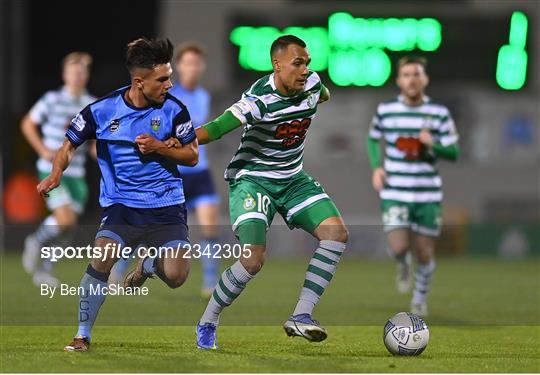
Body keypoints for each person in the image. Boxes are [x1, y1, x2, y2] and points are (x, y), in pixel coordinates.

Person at [168, 35, 349, 350]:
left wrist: (320, 92)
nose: (305, 69)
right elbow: (218, 127)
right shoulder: (258, 99)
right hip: (252, 180)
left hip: (292, 179)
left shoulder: (313, 85)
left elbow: (323, 93)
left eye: (307, 62)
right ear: (277, 65)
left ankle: (302, 315)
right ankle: (208, 320)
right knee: (252, 260)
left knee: (336, 233)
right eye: (298, 63)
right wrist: (179, 141)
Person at [37, 37, 199, 351]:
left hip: (166, 203)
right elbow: (69, 144)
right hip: (121, 204)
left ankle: (148, 266)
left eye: (169, 76)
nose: (170, 83)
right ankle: (82, 335)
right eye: (163, 79)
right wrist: (56, 172)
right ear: (139, 82)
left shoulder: (174, 110)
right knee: (102, 258)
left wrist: (159, 147)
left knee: (177, 276)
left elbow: (192, 155)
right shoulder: (101, 110)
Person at [110, 42, 221, 297]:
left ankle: (210, 282)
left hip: (199, 172)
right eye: (188, 63)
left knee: (210, 228)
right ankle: (119, 270)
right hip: (172, 173)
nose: (192, 68)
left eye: (197, 63)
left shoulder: (204, 96)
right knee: (146, 229)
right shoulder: (165, 94)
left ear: (201, 67)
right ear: (179, 67)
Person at [366, 56, 459, 317]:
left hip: (427, 192)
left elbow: (454, 153)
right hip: (395, 190)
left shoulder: (439, 114)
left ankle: (419, 298)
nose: (412, 79)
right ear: (399, 80)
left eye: (417, 74)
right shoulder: (386, 110)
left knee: (425, 250)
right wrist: (376, 167)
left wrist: (433, 145)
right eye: (407, 74)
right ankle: (402, 263)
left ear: (425, 79)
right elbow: (372, 139)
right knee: (398, 247)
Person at [21, 52, 96, 287]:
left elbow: (95, 140)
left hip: (77, 174)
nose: (77, 76)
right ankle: (35, 241)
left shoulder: (91, 104)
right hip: (51, 170)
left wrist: (99, 152)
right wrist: (42, 149)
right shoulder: (52, 99)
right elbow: (27, 123)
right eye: (73, 72)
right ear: (64, 75)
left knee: (68, 227)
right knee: (64, 220)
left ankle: (45, 270)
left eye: (81, 72)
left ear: (87, 75)